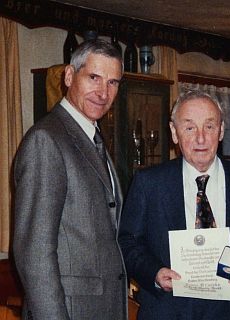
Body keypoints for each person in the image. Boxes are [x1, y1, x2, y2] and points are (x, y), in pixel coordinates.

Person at [118, 90, 230, 320]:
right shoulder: (149, 183)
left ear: (221, 131)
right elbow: (127, 242)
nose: (201, 138)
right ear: (174, 132)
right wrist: (154, 273)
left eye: (209, 127)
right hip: (167, 312)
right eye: (190, 128)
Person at [13, 39, 127, 320]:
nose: (103, 92)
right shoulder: (47, 140)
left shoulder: (91, 137)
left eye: (113, 83)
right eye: (94, 78)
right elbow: (35, 253)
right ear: (68, 76)